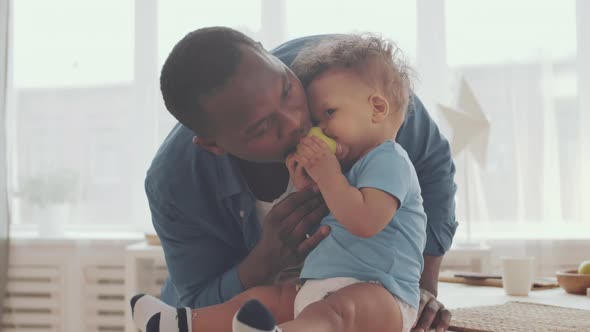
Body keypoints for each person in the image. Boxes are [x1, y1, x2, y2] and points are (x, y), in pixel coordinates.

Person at [139, 27, 457, 331]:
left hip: (364, 299)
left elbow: (433, 165)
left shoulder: (343, 76)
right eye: (263, 127)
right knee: (264, 303)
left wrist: (423, 289)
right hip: (275, 305)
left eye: (287, 89)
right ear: (214, 145)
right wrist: (263, 261)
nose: (295, 123)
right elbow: (197, 297)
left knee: (339, 313)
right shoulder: (174, 184)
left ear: (267, 54)